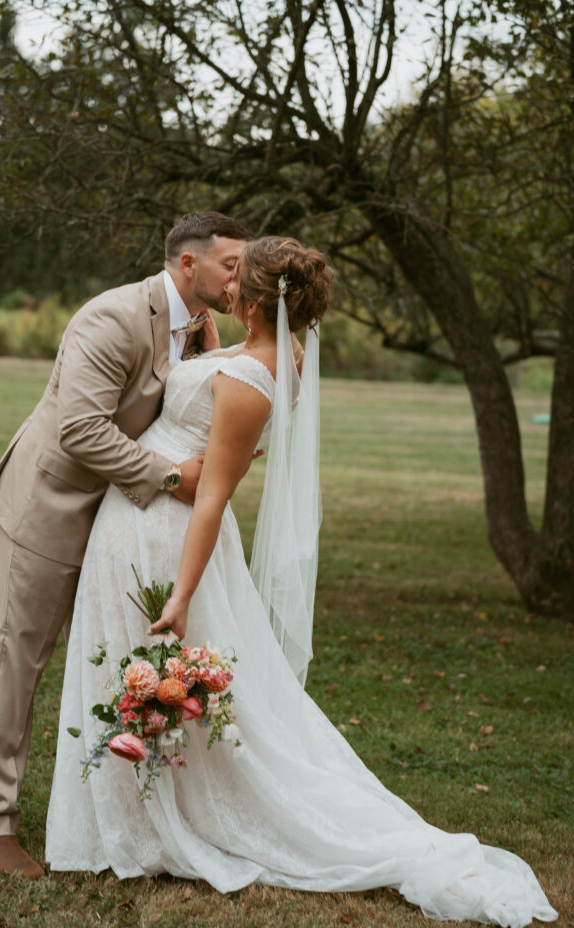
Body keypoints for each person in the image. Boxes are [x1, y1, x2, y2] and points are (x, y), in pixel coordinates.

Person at [46, 235, 557, 927]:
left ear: (257, 301)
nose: (226, 283)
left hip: (164, 532)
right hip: (143, 514)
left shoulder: (248, 378)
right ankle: (136, 815)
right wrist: (221, 336)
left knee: (148, 667)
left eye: (237, 278)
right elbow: (226, 379)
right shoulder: (275, 352)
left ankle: (152, 825)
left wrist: (182, 593)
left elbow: (213, 495)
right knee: (143, 674)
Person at [0, 211, 250, 878]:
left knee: (117, 662)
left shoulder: (202, 330)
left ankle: (119, 809)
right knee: (17, 661)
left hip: (122, 520)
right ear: (188, 265)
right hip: (51, 506)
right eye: (230, 265)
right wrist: (173, 477)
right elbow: (80, 430)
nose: (240, 277)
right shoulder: (113, 317)